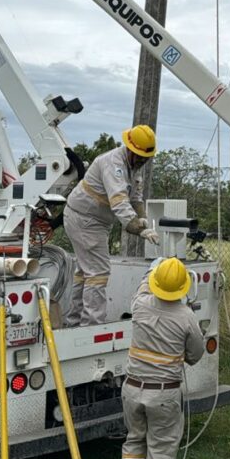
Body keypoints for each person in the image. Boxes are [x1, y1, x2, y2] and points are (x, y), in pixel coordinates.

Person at [115, 257, 205, 459]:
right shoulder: (187, 317)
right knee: (161, 451)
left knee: (134, 443)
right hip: (163, 395)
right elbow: (195, 354)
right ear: (183, 287)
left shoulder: (139, 305)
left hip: (132, 389)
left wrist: (155, 268)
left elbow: (144, 287)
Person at [63, 125, 158, 327]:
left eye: (146, 158)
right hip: (84, 219)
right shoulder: (113, 163)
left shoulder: (134, 167)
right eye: (140, 156)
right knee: (98, 272)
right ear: (130, 149)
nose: (143, 161)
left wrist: (143, 219)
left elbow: (136, 198)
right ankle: (91, 325)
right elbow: (119, 202)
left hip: (95, 221)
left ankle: (74, 322)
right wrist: (140, 229)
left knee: (86, 271)